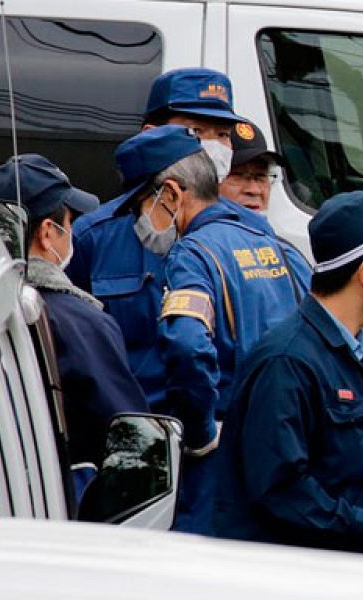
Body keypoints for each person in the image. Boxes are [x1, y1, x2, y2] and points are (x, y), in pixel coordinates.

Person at [214, 191, 363, 558]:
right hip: (296, 583)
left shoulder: (353, 351)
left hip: (343, 574)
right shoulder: (287, 361)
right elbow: (281, 490)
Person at [67, 68, 300, 408]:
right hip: (132, 431)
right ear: (151, 134)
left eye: (222, 134)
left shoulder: (249, 230)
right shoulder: (93, 236)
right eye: (195, 130)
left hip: (216, 432)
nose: (211, 146)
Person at [111, 125, 303, 533]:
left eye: (142, 205)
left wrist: (199, 433)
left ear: (173, 195)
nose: (140, 220)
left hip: (222, 461)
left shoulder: (193, 254)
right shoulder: (280, 249)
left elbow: (186, 344)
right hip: (287, 452)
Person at [0, 154, 148, 504]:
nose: (71, 231)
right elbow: (131, 437)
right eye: (69, 220)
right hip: (55, 513)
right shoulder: (80, 323)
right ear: (46, 232)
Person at [220, 118, 314, 287]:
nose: (254, 190)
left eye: (260, 177)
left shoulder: (287, 253)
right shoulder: (199, 250)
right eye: (238, 176)